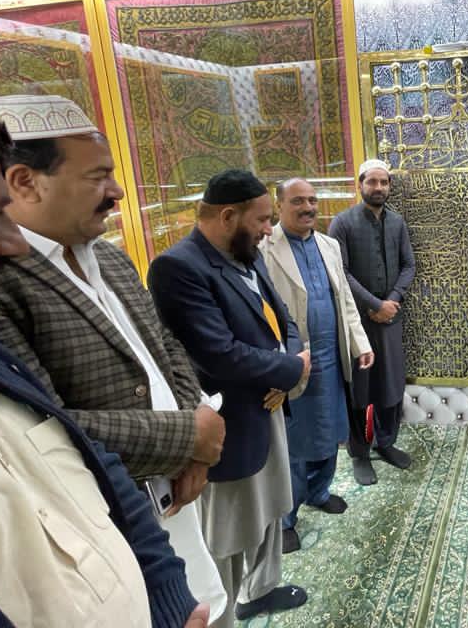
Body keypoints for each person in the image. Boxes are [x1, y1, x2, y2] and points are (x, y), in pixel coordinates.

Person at [0, 87, 206, 627]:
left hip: (168, 504)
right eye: (98, 176)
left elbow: (165, 345)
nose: (117, 192)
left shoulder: (111, 260)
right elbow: (61, 424)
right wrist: (187, 437)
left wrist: (193, 441)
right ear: (24, 182)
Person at [148, 169, 310, 627]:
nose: (269, 230)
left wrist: (289, 362)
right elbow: (218, 354)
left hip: (269, 405)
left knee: (271, 513)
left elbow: (283, 317)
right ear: (227, 216)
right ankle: (224, 615)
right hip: (230, 426)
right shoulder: (178, 268)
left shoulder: (247, 253)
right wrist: (292, 368)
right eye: (262, 220)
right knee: (228, 539)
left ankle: (261, 590)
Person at [261, 177, 374, 553]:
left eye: (312, 200)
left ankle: (319, 492)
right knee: (294, 442)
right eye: (298, 201)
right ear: (279, 205)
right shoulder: (264, 249)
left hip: (331, 359)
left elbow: (345, 302)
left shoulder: (329, 245)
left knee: (330, 430)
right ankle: (286, 518)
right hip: (294, 362)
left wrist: (360, 343)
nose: (308, 207)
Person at [328, 158, 416, 486]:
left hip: (390, 318)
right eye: (372, 182)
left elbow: (408, 265)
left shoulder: (397, 223)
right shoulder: (342, 223)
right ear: (360, 185)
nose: (378, 188)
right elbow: (340, 272)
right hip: (358, 323)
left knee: (391, 385)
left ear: (389, 186)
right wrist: (374, 305)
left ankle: (386, 442)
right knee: (361, 389)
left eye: (384, 182)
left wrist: (391, 301)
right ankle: (361, 452)